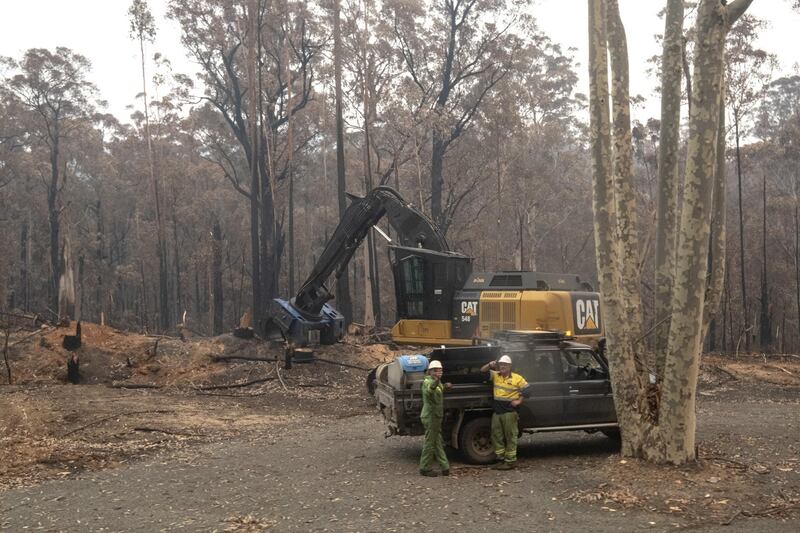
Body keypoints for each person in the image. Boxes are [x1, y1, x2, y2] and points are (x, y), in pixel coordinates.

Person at [480, 354, 531, 470]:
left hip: (510, 412)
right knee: (496, 435)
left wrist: (519, 401)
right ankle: (501, 459)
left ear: (510, 366)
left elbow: (528, 390)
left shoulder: (517, 378)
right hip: (497, 412)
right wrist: (489, 365)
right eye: (501, 364)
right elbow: (482, 371)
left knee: (510, 436)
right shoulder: (496, 375)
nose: (503, 366)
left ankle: (510, 461)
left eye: (505, 365)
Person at [419, 359, 452, 477]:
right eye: (436, 371)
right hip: (431, 417)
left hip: (436, 417)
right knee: (430, 443)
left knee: (437, 442)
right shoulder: (428, 382)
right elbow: (430, 390)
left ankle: (445, 467)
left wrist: (445, 386)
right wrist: (437, 382)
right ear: (430, 372)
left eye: (440, 370)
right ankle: (424, 468)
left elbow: (439, 388)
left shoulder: (437, 382)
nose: (439, 372)